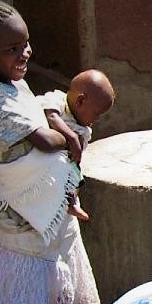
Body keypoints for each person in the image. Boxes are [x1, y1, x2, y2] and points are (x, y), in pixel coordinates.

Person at [0, 0, 101, 304]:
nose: (25, 53)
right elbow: (42, 140)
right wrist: (75, 133)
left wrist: (61, 123)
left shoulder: (15, 84)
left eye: (25, 44)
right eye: (13, 48)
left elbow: (44, 112)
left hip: (46, 212)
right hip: (19, 214)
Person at [37, 69, 115, 221]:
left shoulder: (83, 128)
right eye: (96, 113)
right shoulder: (58, 100)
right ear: (80, 101)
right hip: (43, 161)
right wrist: (71, 137)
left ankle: (71, 202)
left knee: (76, 178)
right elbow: (51, 116)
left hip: (65, 165)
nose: (97, 119)